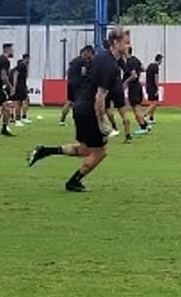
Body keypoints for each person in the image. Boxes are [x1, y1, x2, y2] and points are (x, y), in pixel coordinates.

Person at [27, 27, 129, 192]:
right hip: (90, 109)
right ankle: (73, 182)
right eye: (126, 43)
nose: (128, 46)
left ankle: (44, 151)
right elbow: (100, 96)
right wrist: (101, 121)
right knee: (100, 153)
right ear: (116, 43)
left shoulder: (100, 57)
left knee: (85, 149)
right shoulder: (110, 65)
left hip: (80, 106)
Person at [60, 45, 95, 125]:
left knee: (69, 102)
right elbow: (83, 73)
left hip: (70, 83)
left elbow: (68, 71)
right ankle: (77, 119)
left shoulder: (74, 60)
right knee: (79, 103)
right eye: (90, 53)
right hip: (78, 85)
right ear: (86, 52)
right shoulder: (83, 61)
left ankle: (62, 120)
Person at [122, 47, 151, 140]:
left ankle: (143, 126)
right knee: (137, 106)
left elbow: (134, 75)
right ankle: (146, 125)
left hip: (133, 86)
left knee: (136, 108)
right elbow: (144, 69)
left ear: (127, 51)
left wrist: (126, 82)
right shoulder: (136, 59)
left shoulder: (129, 62)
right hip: (138, 86)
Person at [12, 54, 31, 127]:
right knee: (18, 103)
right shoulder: (21, 65)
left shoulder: (24, 67)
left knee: (25, 101)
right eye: (28, 59)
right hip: (19, 87)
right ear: (25, 59)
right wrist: (14, 85)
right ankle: (18, 120)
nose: (29, 61)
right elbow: (15, 74)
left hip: (22, 87)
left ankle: (22, 117)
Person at [144, 54, 163, 124]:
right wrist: (157, 88)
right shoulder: (156, 67)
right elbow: (156, 78)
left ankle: (151, 118)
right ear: (159, 60)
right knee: (154, 103)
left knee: (152, 102)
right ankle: (145, 115)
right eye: (161, 60)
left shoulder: (150, 65)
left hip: (148, 86)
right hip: (153, 87)